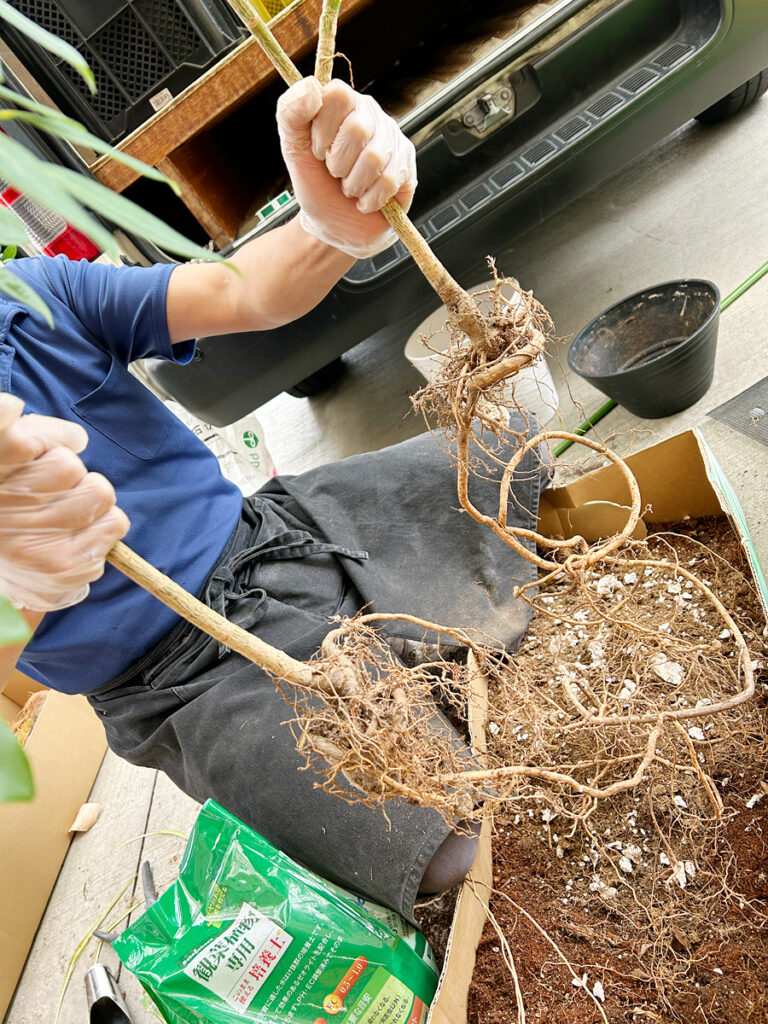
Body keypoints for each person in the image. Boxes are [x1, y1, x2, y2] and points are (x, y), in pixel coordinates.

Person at [0, 78, 547, 924]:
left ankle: (430, 655)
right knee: (444, 846)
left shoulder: (31, 299)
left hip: (280, 535)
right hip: (184, 684)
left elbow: (243, 292)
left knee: (512, 448)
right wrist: (17, 591)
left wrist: (331, 227)